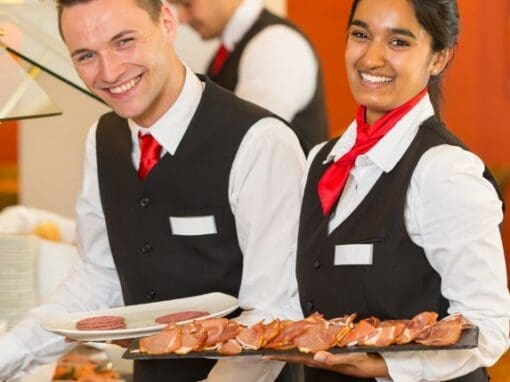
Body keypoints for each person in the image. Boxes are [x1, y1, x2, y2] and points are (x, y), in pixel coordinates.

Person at [0, 0, 305, 381]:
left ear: (167, 22)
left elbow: (273, 313)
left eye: (124, 41)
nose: (109, 72)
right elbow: (97, 279)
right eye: (85, 55)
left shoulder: (261, 142)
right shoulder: (103, 139)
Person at [269, 0, 510, 381]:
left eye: (399, 42)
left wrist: (385, 365)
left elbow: (489, 326)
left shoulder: (445, 171)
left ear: (438, 58)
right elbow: (290, 299)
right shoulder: (320, 160)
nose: (372, 58)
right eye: (361, 35)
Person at [169, 0, 329, 152]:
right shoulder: (228, 51)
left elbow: (246, 141)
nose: (181, 19)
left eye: (186, 3)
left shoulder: (275, 44)